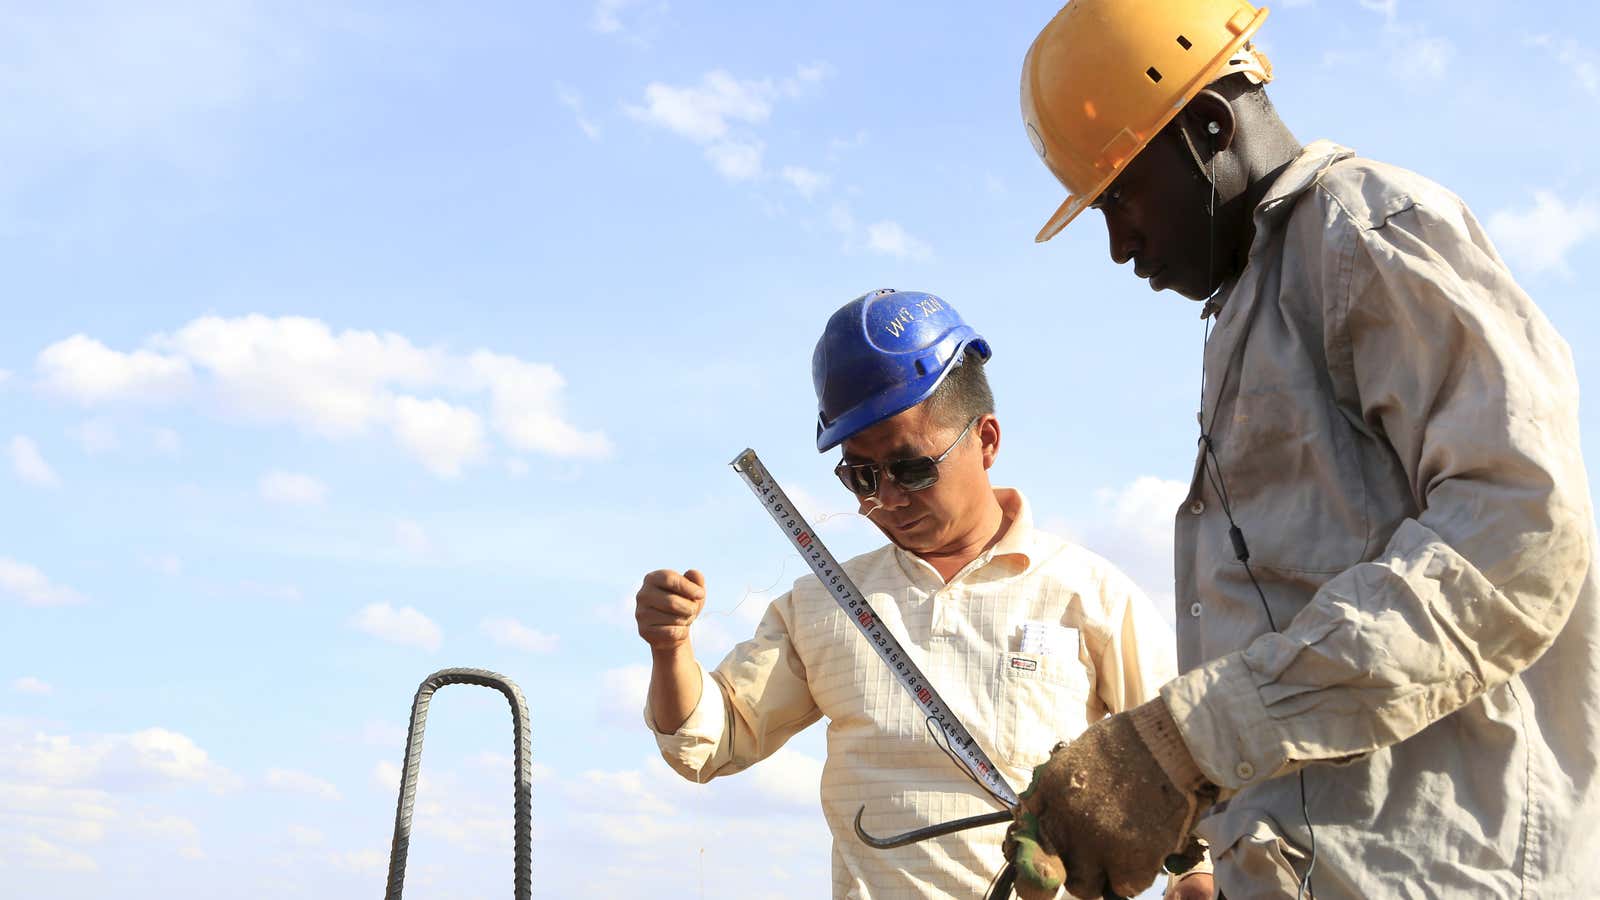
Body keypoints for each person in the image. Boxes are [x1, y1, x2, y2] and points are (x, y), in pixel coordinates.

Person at [1003, 1, 1600, 898]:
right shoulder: (1256, 302)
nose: (1119, 243)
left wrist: (1187, 742)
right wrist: (1201, 799)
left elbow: (1519, 534)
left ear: (1209, 127)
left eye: (1120, 194)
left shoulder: (1368, 234)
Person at [635, 289, 1204, 899]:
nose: (887, 498)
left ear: (986, 440)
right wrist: (670, 648)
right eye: (861, 476)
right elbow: (711, 741)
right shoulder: (822, 604)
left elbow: (1191, 758)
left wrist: (1196, 876)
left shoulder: (1090, 596)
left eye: (911, 469)